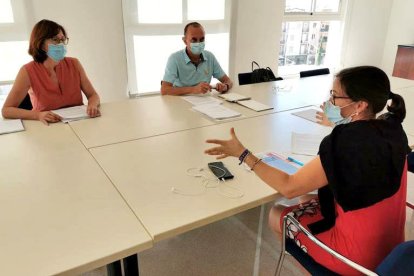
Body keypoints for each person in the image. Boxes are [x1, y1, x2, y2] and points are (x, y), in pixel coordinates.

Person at [205, 66, 410, 275]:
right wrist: (341, 126)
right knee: (307, 196)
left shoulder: (344, 144)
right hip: (394, 251)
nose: (329, 101)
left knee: (277, 213)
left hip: (357, 259)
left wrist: (243, 154)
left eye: (335, 96)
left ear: (359, 105)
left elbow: (288, 187)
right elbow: (359, 151)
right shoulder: (392, 130)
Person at [2, 19, 100, 125]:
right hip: (48, 126)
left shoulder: (74, 63)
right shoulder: (27, 71)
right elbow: (6, 110)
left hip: (78, 122)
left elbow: (93, 95)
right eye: (55, 40)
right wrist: (38, 115)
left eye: (62, 40)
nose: (61, 44)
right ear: (40, 43)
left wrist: (92, 105)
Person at [161, 22, 233, 96]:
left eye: (202, 39)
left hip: (205, 102)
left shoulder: (210, 57)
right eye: (194, 40)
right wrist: (193, 89)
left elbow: (228, 81)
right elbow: (164, 90)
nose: (198, 43)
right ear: (185, 40)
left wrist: (225, 86)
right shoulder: (174, 59)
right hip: (180, 103)